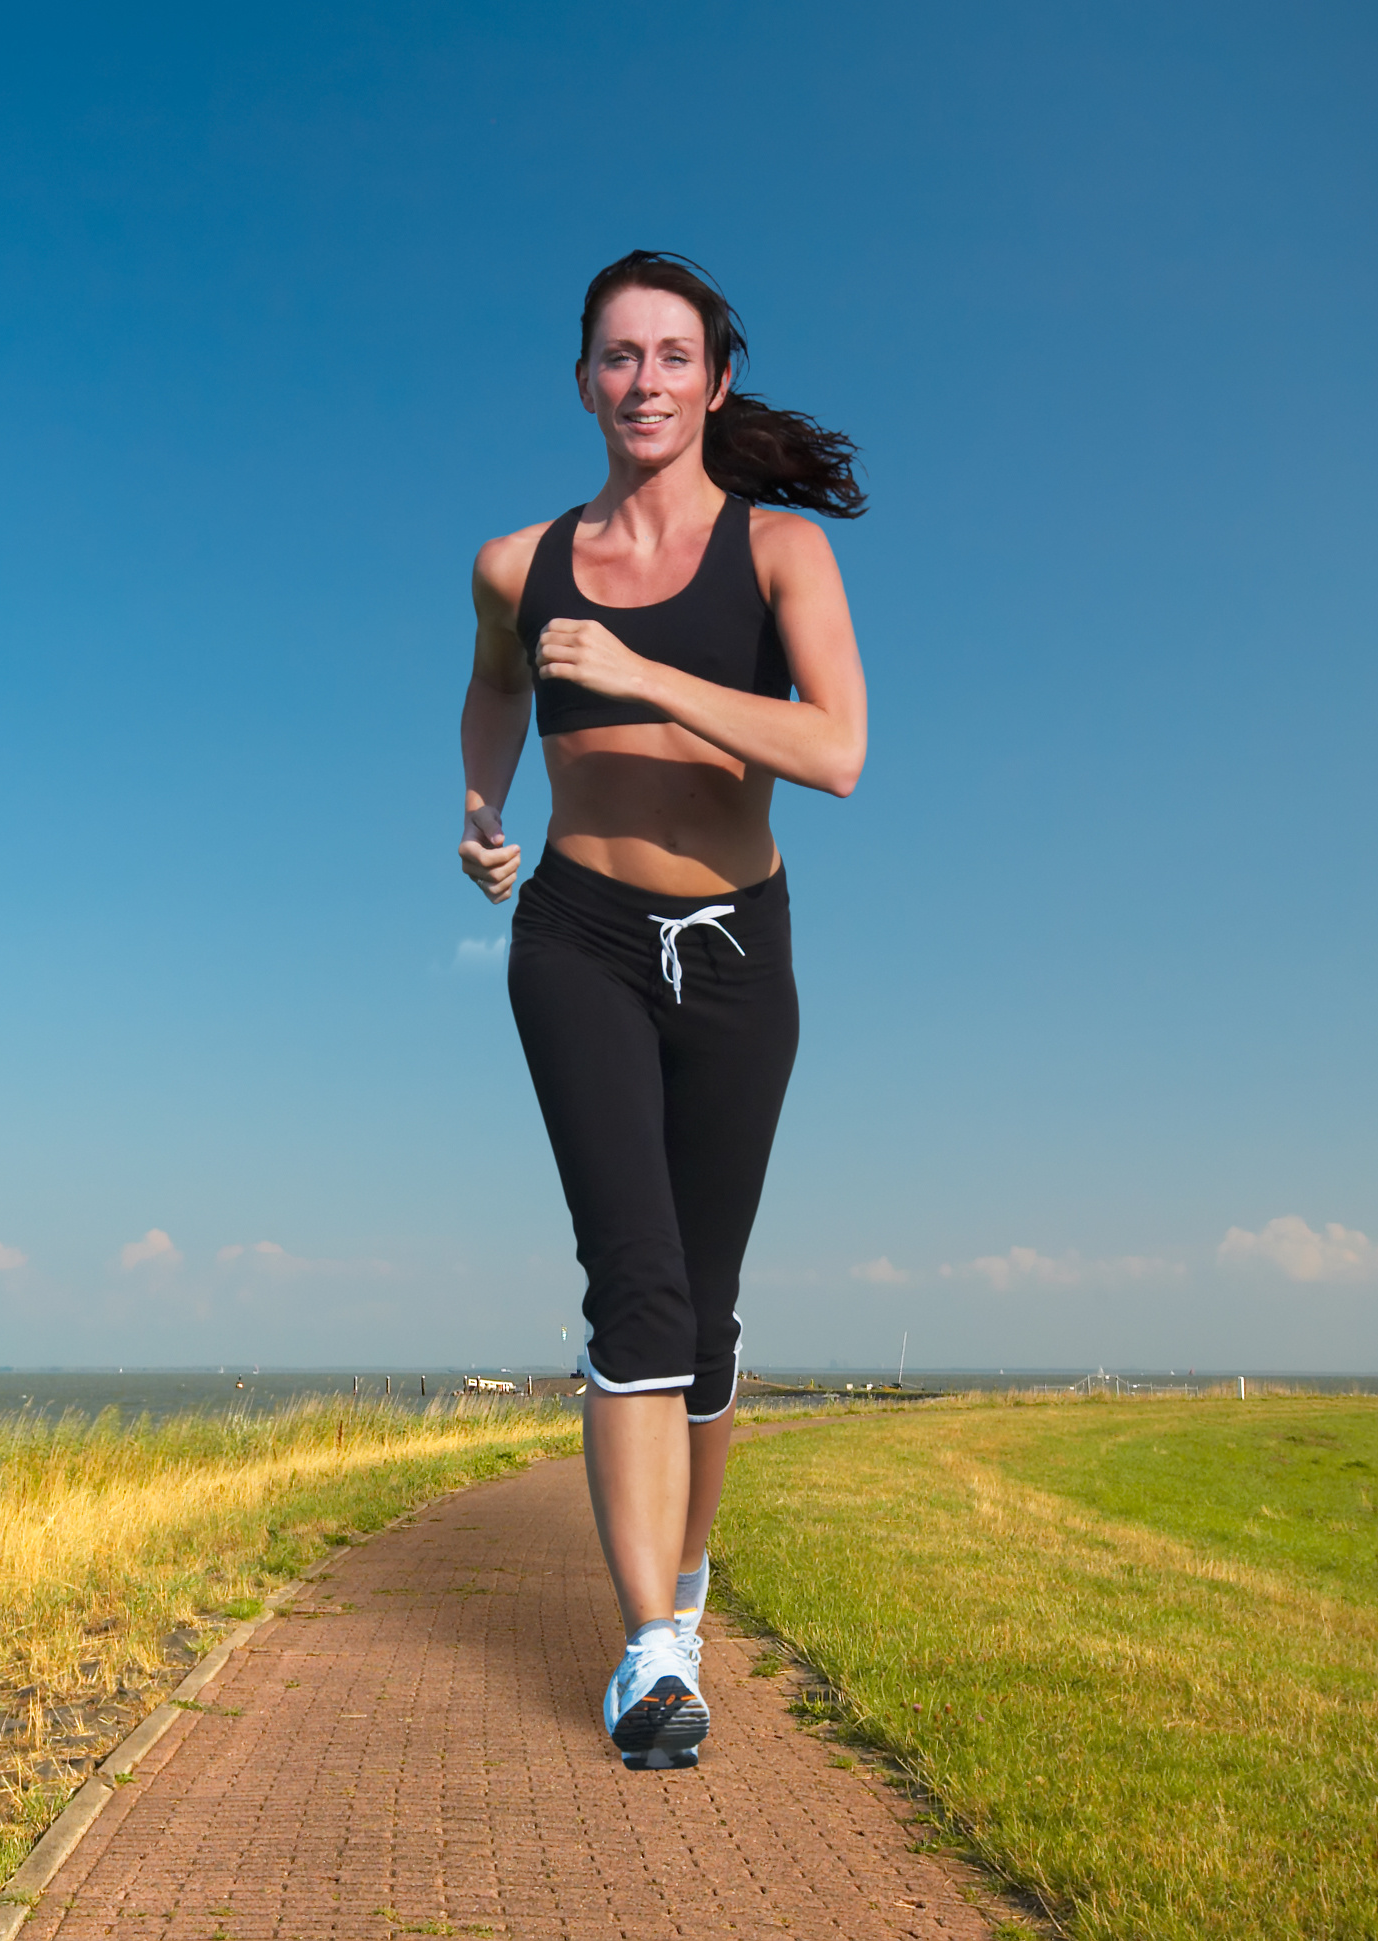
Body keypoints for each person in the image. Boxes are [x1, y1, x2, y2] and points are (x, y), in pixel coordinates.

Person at [458, 251, 868, 1770]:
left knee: (705, 1305)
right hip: (574, 931)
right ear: (583, 381)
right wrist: (477, 802)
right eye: (616, 358)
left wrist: (641, 674)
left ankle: (682, 1589)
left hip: (737, 947)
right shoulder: (517, 561)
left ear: (710, 378)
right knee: (631, 1283)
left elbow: (835, 749)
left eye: (670, 356)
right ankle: (646, 1648)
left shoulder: (775, 560)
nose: (642, 382)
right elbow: (494, 688)